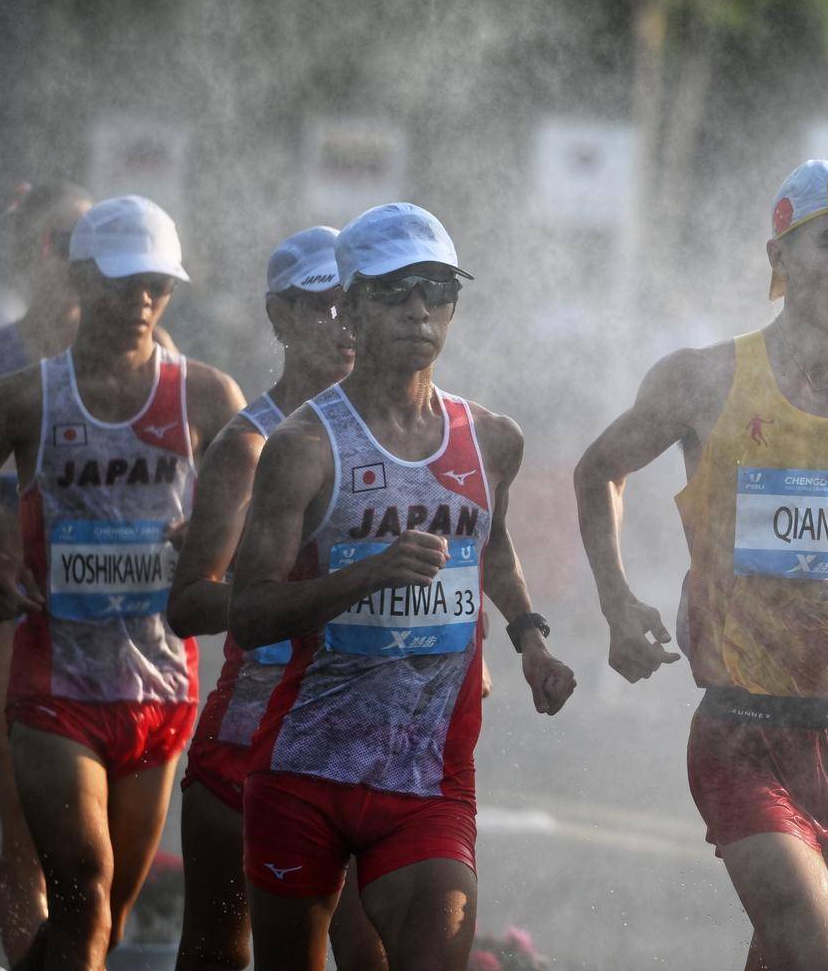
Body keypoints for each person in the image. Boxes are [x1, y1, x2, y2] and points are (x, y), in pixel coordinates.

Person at [573, 160, 828, 971]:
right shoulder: (702, 379)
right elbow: (597, 470)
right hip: (742, 729)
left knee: (783, 956)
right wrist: (617, 602)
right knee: (812, 949)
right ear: (779, 260)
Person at [228, 203, 576, 971]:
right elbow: (249, 614)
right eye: (394, 291)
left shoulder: (492, 438)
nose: (420, 309)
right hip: (305, 771)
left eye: (437, 289)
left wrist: (531, 639)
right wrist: (367, 575)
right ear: (349, 305)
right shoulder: (302, 445)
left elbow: (495, 548)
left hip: (427, 780)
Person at [0, 194, 244, 970]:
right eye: (124, 282)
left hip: (163, 690)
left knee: (105, 925)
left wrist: (208, 546)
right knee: (84, 895)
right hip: (54, 687)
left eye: (156, 285)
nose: (140, 301)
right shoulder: (27, 395)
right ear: (82, 278)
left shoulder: (206, 395)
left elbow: (255, 517)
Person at [168, 226, 391, 970]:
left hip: (355, 740)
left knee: (371, 954)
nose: (343, 325)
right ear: (281, 318)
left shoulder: (389, 440)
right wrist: (287, 596)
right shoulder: (250, 445)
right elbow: (189, 606)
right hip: (249, 743)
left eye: (353, 303)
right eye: (321, 305)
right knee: (220, 955)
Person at [0, 181, 92, 964]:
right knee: (25, 823)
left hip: (109, 624)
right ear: (35, 253)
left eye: (96, 245)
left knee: (95, 848)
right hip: (9, 612)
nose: (78, 261)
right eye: (61, 242)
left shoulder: (157, 370)